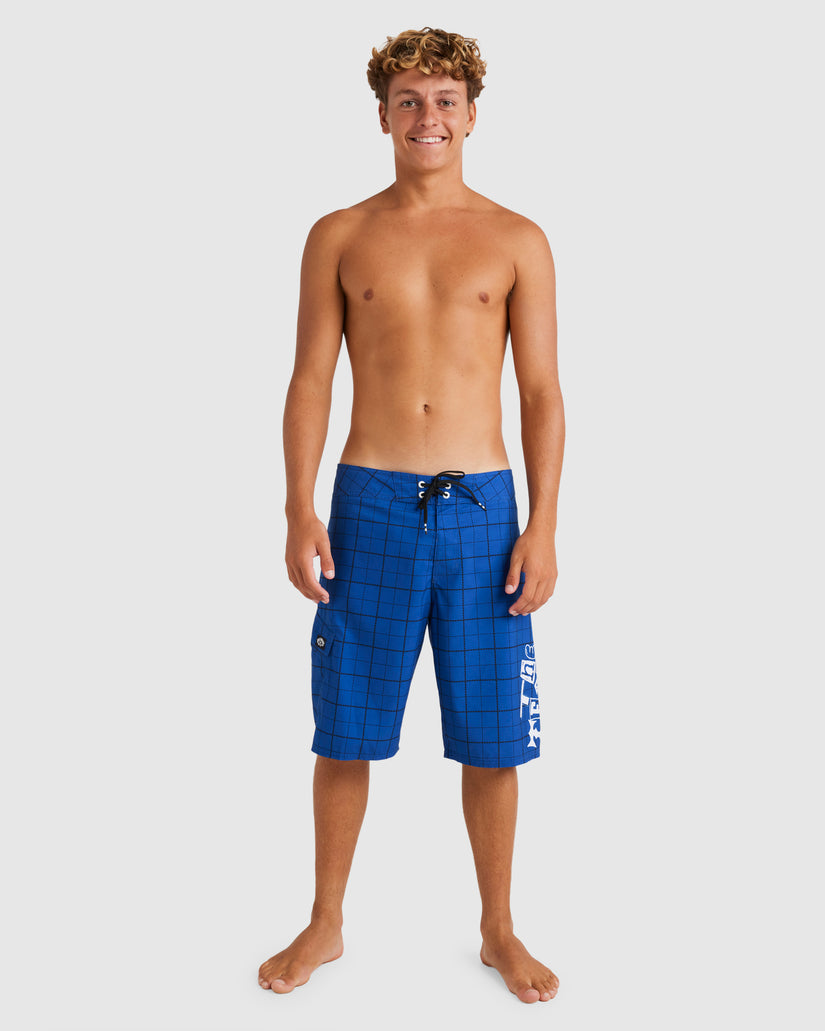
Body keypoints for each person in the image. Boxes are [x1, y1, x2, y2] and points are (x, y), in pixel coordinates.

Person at [258, 27, 564, 1005]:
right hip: (370, 500)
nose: (427, 117)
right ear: (383, 115)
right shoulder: (340, 234)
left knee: (492, 734)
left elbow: (542, 391)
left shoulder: (516, 239)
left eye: (444, 100)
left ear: (472, 114)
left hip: (483, 508)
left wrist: (544, 523)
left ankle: (498, 925)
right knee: (344, 727)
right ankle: (326, 917)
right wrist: (298, 505)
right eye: (408, 100)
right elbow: (310, 378)